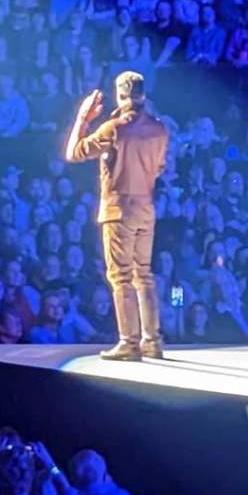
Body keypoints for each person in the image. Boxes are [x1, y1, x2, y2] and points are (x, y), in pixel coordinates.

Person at [64, 71, 170, 360]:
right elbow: (160, 168)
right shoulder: (160, 129)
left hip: (118, 209)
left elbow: (73, 153)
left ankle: (129, 342)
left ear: (120, 94)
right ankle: (152, 340)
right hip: (146, 208)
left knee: (121, 276)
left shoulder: (114, 128)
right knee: (144, 274)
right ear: (143, 94)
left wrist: (83, 118)